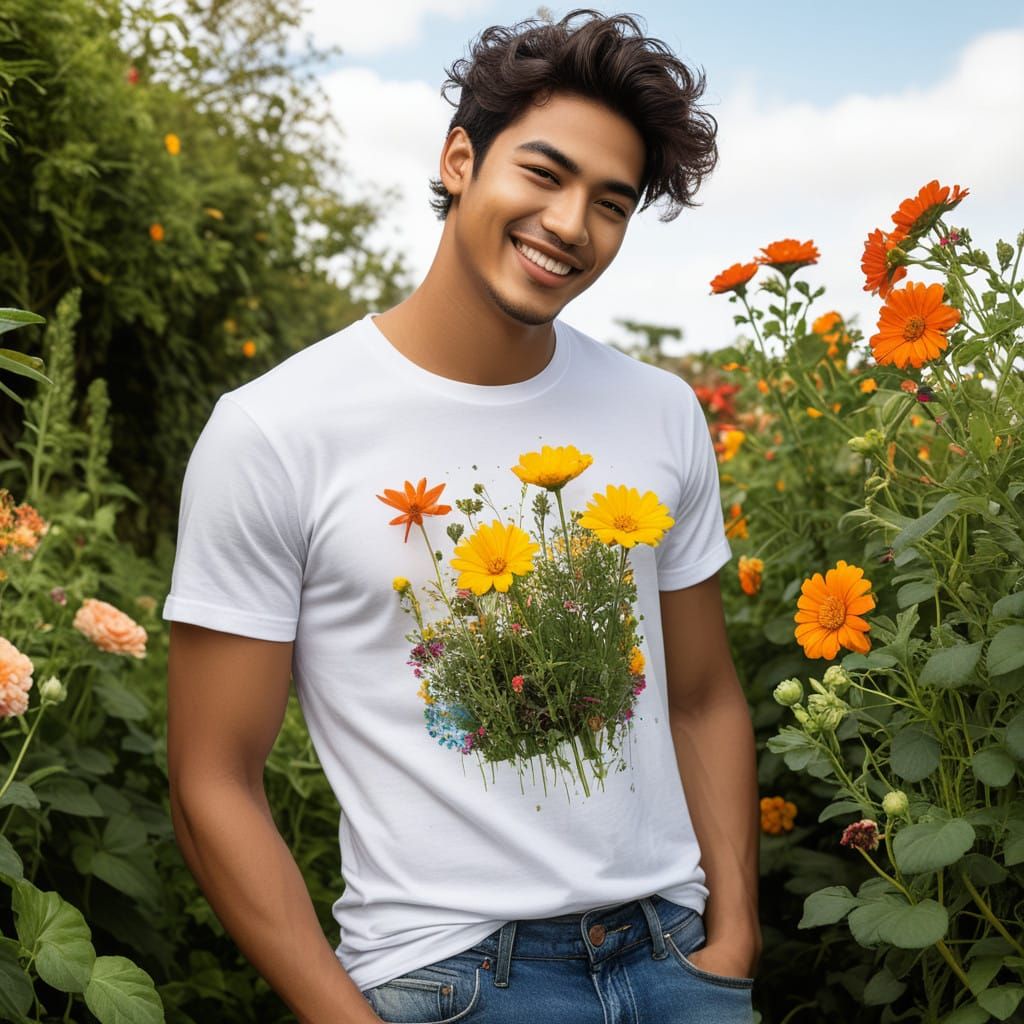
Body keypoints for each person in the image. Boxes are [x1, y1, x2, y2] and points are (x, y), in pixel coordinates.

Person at [164, 9, 760, 1023]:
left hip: (677, 958)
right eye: (544, 173)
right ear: (458, 159)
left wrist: (734, 936)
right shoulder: (273, 430)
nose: (572, 223)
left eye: (610, 203)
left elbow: (702, 696)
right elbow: (211, 778)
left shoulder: (659, 410)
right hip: (454, 979)